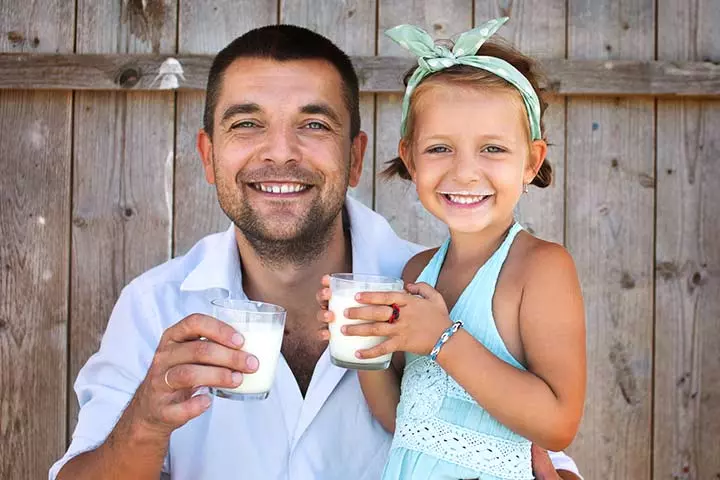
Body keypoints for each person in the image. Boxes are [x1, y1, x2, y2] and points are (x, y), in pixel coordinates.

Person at [50, 24, 582, 480]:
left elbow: (535, 452)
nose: (280, 151)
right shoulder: (154, 306)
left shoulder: (430, 284)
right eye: (247, 124)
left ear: (355, 159)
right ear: (209, 157)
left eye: (314, 125)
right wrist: (145, 422)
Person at [318, 18, 586, 480]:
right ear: (410, 158)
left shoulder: (540, 269)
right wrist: (364, 346)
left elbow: (559, 425)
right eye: (440, 148)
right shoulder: (420, 270)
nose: (465, 173)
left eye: (493, 150)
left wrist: (442, 340)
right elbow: (403, 420)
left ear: (532, 161)